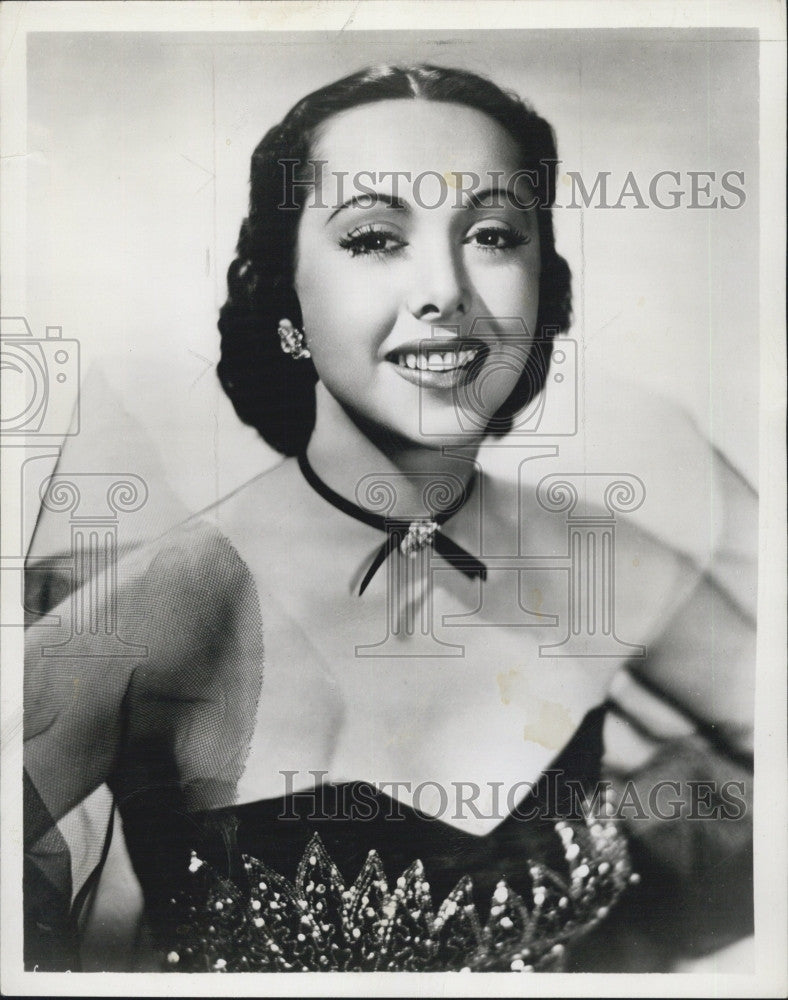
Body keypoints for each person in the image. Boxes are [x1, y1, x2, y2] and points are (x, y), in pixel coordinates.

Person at [23, 64, 755, 974]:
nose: (444, 291)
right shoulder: (168, 608)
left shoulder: (590, 553)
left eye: (491, 233)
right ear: (285, 300)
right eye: (373, 238)